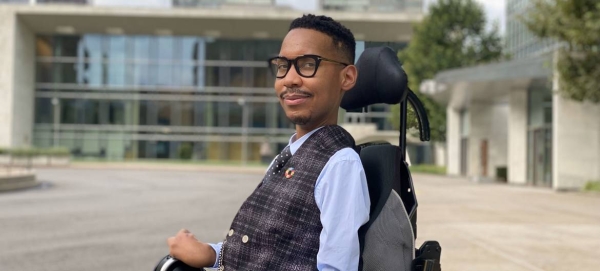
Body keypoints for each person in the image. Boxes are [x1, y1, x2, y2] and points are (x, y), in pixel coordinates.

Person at [167, 14, 370, 271]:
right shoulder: (287, 157)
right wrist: (210, 254)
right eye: (283, 65)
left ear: (347, 77)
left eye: (308, 64)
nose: (290, 79)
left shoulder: (340, 164)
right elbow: (264, 251)